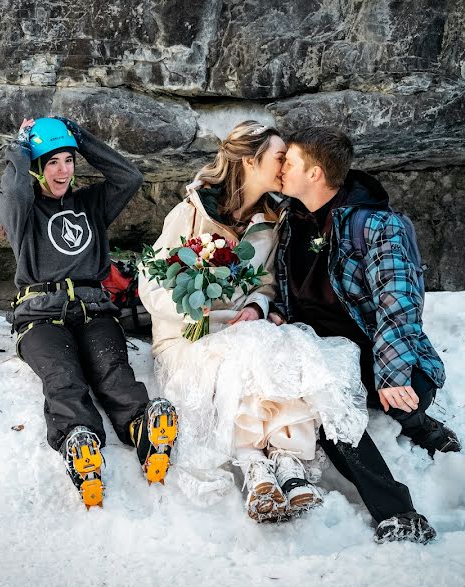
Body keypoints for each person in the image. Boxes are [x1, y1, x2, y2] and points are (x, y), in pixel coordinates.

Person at [138, 121, 369, 522]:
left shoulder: (272, 219)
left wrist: (257, 308)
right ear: (249, 160)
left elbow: (267, 284)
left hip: (242, 329)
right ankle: (256, 468)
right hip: (188, 338)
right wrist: (197, 312)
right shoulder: (189, 215)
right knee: (245, 357)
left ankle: (288, 463)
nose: (285, 166)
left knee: (283, 351)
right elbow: (151, 283)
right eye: (279, 158)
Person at [272, 126, 462, 542]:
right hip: (320, 352)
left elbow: (400, 306)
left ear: (316, 174)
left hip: (373, 350)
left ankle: (417, 426)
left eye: (289, 162)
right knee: (327, 412)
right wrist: (279, 313)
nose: (280, 168)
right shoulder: (291, 219)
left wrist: (391, 373)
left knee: (402, 393)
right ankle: (395, 508)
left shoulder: (378, 226)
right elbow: (289, 287)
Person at [0, 116, 178, 509]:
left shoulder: (91, 204)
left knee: (112, 369)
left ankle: (143, 427)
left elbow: (129, 177)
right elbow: (13, 195)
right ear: (36, 169)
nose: (63, 170)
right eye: (53, 162)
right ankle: (81, 442)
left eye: (68, 160)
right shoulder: (23, 215)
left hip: (94, 309)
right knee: (63, 377)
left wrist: (82, 138)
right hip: (41, 315)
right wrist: (20, 147)